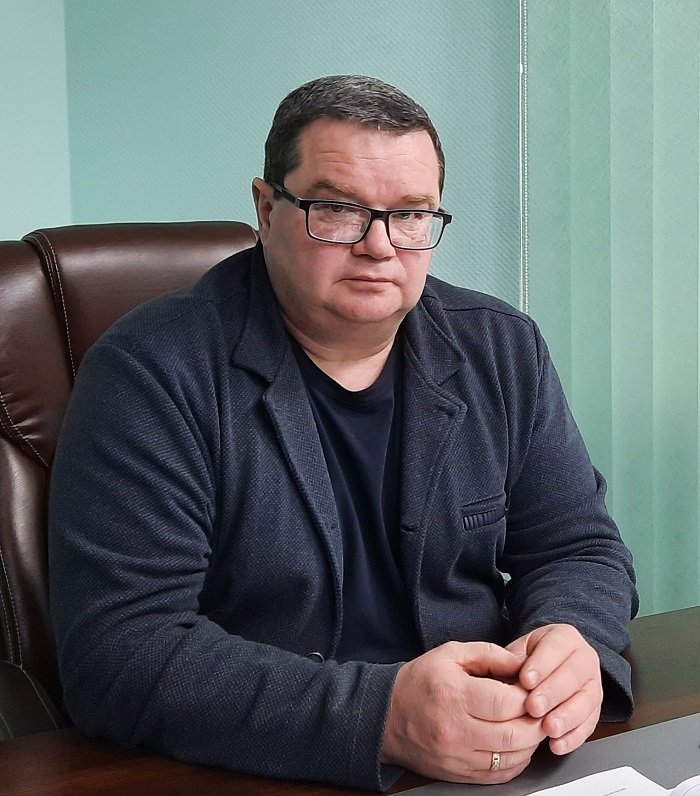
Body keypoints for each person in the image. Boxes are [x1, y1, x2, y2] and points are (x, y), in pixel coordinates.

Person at [49, 74, 638, 791]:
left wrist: (574, 643)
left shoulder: (501, 349)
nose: (379, 246)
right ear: (266, 209)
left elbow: (577, 548)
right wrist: (381, 716)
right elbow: (119, 651)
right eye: (338, 210)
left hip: (488, 751)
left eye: (410, 215)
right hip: (262, 768)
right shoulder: (150, 372)